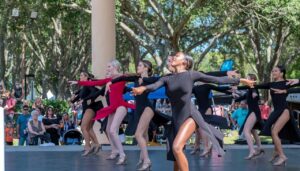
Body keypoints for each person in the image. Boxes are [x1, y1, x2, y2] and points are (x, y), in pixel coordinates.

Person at [132, 52, 254, 171]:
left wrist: (242, 80)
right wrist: (143, 88)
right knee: (175, 158)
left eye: (177, 56)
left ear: (184, 62)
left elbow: (217, 79)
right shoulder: (167, 78)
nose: (173, 58)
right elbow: (154, 86)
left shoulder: (191, 75)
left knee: (177, 147)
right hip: (176, 118)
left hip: (190, 115)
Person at [69, 60, 135, 165]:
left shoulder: (122, 77)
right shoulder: (109, 79)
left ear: (115, 67)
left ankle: (122, 155)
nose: (107, 68)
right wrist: (78, 82)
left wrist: (137, 86)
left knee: (113, 130)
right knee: (108, 129)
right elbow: (95, 82)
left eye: (109, 66)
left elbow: (134, 79)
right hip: (112, 107)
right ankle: (114, 151)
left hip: (121, 106)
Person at [247, 66, 300, 166]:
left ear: (281, 73)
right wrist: (244, 85)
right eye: (272, 71)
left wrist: (286, 91)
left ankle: (282, 156)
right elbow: (256, 86)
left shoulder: (286, 83)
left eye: (275, 71)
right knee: (275, 132)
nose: (273, 72)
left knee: (274, 132)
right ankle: (276, 152)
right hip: (277, 111)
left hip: (284, 110)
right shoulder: (271, 84)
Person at [71, 71, 104, 156]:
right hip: (87, 108)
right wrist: (73, 98)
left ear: (86, 77)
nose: (80, 77)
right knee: (89, 128)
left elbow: (93, 93)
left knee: (83, 127)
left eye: (82, 75)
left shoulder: (89, 84)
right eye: (80, 75)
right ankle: (97, 144)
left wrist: (85, 99)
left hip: (91, 107)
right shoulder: (83, 87)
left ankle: (88, 147)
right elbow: (76, 99)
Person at [233, 74, 264, 160]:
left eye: (248, 78)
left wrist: (254, 92)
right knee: (253, 130)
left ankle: (252, 151)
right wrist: (235, 99)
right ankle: (260, 147)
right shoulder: (248, 90)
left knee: (246, 130)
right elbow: (243, 97)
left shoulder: (252, 87)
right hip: (253, 111)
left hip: (254, 111)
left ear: (252, 80)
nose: (246, 79)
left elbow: (253, 89)